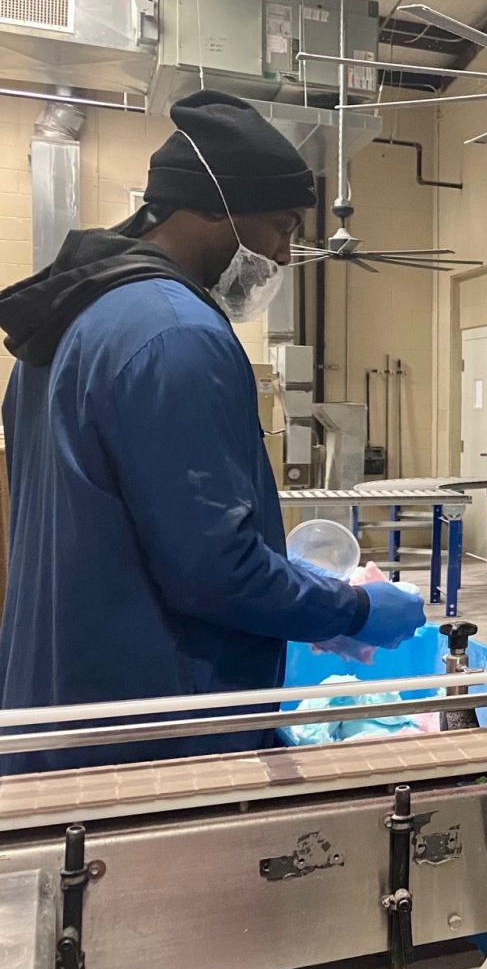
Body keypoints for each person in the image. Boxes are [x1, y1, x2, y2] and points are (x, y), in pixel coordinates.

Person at [0, 90, 426, 774]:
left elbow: (134, 536)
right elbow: (213, 571)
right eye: (282, 226)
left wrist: (293, 586)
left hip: (56, 724)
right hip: (153, 743)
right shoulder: (177, 334)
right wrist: (347, 607)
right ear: (211, 208)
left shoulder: (58, 335)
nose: (287, 256)